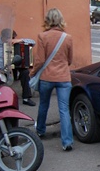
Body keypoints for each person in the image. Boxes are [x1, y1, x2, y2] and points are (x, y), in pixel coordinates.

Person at [30, 8, 74, 151]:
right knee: (64, 109)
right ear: (61, 20)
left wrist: (33, 72)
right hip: (63, 78)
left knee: (44, 105)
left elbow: (40, 60)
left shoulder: (43, 36)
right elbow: (69, 60)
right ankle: (67, 142)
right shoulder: (68, 38)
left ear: (47, 20)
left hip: (47, 77)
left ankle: (41, 130)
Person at [0, 28, 36, 106]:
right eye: (9, 38)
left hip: (14, 69)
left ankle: (26, 98)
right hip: (0, 70)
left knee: (25, 72)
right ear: (3, 37)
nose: (10, 40)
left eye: (12, 38)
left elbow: (33, 42)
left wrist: (19, 40)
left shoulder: (15, 43)